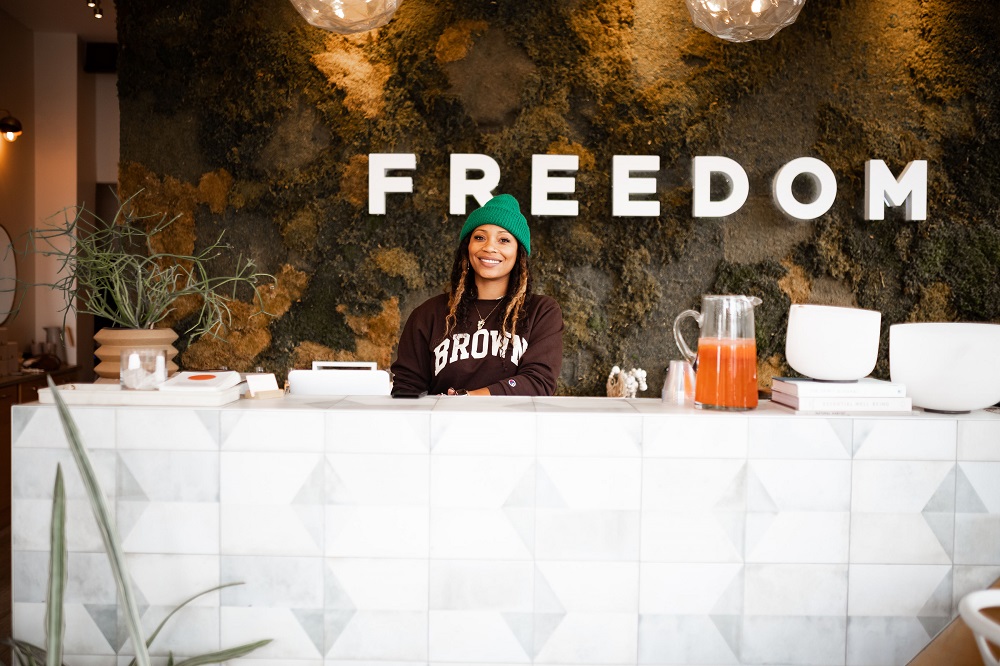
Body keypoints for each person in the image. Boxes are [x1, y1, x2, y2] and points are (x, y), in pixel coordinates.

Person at [390, 193, 563, 396]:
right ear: (467, 247)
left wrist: (468, 398)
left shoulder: (540, 312)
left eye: (504, 240)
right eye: (479, 237)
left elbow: (538, 382)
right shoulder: (429, 314)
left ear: (519, 253)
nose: (489, 247)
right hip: (444, 426)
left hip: (514, 427)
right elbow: (407, 388)